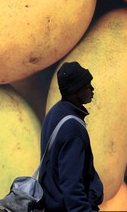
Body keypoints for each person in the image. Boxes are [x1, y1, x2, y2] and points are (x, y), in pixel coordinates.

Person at [38, 61, 103, 212]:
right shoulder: (72, 128)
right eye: (87, 86)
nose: (92, 89)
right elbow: (72, 185)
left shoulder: (55, 113)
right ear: (75, 91)